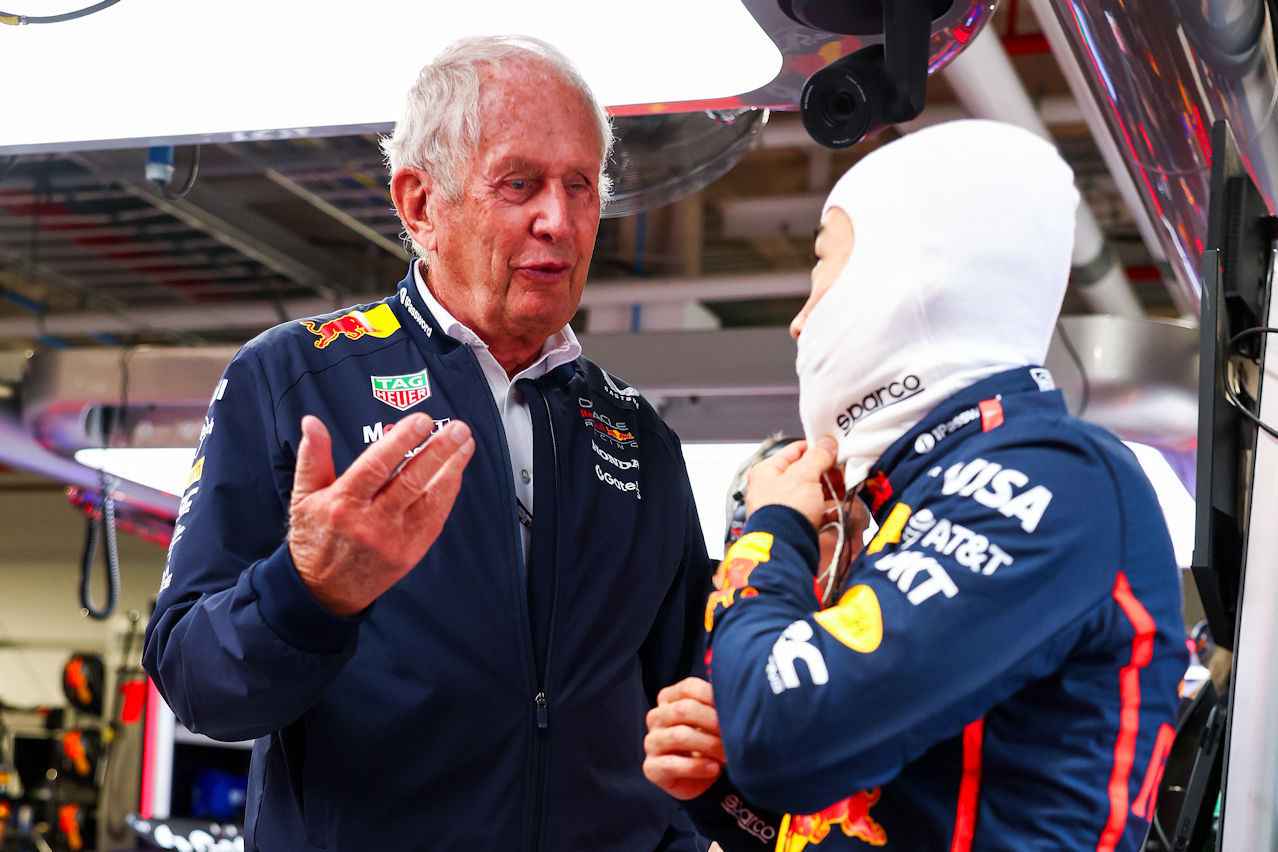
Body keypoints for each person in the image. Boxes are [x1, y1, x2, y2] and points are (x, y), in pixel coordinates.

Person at [143, 35, 712, 851]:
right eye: (520, 183)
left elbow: (687, 712)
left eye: (580, 185)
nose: (559, 220)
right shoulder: (294, 380)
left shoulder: (640, 436)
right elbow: (198, 685)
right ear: (420, 206)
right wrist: (308, 593)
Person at [643, 119, 1187, 850]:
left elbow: (781, 733)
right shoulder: (935, 495)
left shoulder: (1052, 474)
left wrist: (771, 534)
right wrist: (721, 785)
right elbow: (873, 816)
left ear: (907, 274)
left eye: (821, 265)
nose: (800, 323)